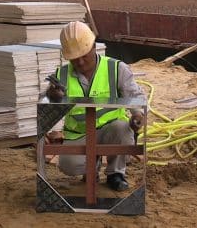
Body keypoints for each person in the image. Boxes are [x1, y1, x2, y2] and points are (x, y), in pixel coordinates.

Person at [46, 21, 145, 191]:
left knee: (123, 131)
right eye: (75, 59)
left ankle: (116, 173)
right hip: (80, 134)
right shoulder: (61, 75)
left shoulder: (116, 69)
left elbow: (135, 96)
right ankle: (91, 166)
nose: (81, 62)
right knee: (69, 164)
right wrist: (53, 97)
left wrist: (138, 115)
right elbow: (50, 103)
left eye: (84, 55)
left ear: (93, 47)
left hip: (111, 129)